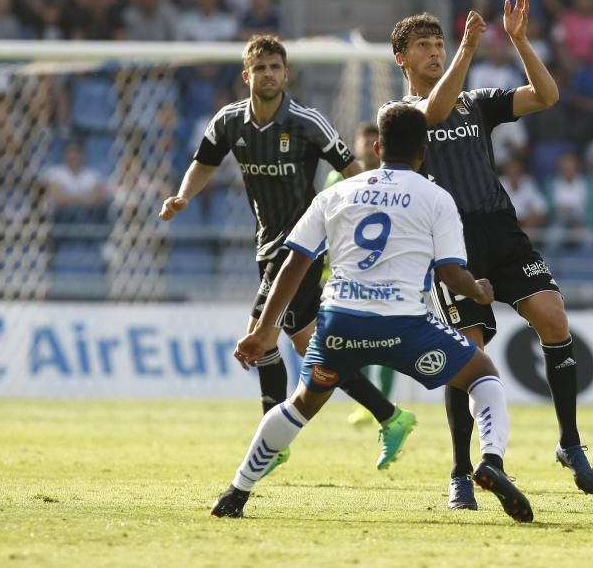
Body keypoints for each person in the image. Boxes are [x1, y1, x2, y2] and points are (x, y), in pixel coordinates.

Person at [210, 104, 533, 523]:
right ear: (423, 153)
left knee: (301, 404)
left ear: (377, 147)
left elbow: (293, 264)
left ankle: (236, 492)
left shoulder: (335, 194)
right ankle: (490, 461)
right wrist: (479, 289)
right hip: (406, 327)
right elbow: (451, 272)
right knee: (482, 374)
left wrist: (266, 331)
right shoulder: (436, 198)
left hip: (339, 324)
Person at [386, 0, 593, 513]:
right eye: (423, 46)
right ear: (402, 59)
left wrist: (522, 41)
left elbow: (545, 96)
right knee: (469, 352)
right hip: (451, 241)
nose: (434, 52)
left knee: (553, 318)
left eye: (439, 43)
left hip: (501, 231)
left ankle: (569, 443)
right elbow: (434, 112)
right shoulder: (401, 112)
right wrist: (466, 48)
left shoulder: (477, 101)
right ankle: (461, 473)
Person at [159, 35, 413, 474]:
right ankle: (391, 415)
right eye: (261, 69)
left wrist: (366, 219)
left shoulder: (306, 122)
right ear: (247, 76)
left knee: (260, 338)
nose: (270, 75)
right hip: (267, 244)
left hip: (301, 246)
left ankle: (271, 442)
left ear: (286, 73)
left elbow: (351, 171)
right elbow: (204, 162)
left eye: (276, 67)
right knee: (310, 346)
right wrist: (183, 197)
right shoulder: (228, 122)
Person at [323, 121, 396, 425]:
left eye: (374, 140)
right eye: (364, 140)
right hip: (348, 269)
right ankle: (369, 403)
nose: (368, 146)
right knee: (356, 338)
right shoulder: (336, 177)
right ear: (355, 146)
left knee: (390, 340)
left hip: (388, 267)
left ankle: (384, 401)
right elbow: (326, 219)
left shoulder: (393, 177)